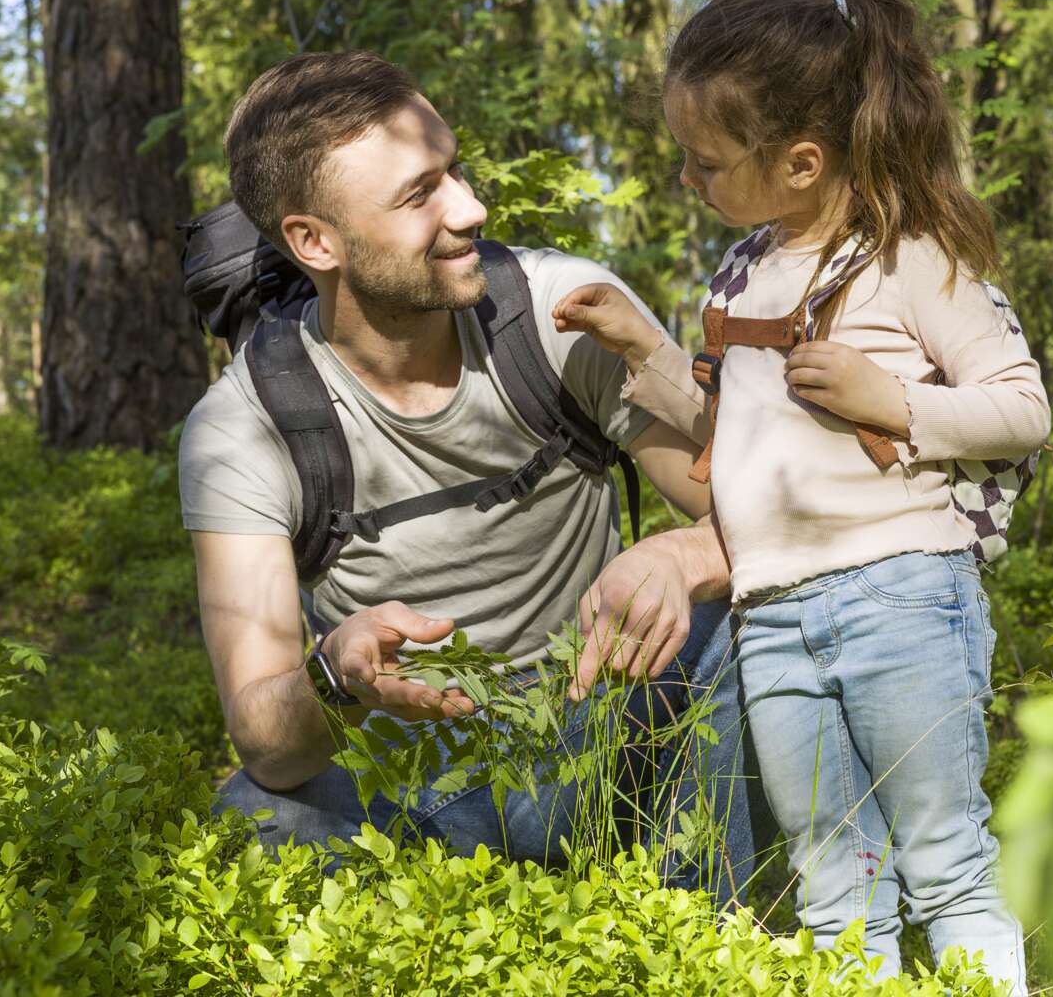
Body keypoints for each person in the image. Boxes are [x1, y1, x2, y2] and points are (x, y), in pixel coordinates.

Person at [551, 0, 1049, 991]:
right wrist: (641, 347)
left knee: (945, 857)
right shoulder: (739, 277)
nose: (689, 177)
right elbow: (739, 445)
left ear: (801, 161)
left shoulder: (910, 258)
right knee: (832, 873)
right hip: (772, 617)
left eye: (705, 160)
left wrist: (895, 400)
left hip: (903, 596)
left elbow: (1021, 410)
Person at [178, 49, 758, 901]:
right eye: (420, 195)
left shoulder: (562, 318)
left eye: (454, 172)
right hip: (419, 777)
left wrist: (682, 559)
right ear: (313, 241)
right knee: (253, 827)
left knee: (765, 628)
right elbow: (268, 739)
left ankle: (718, 940)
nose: (471, 208)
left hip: (606, 723)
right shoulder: (242, 430)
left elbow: (780, 522)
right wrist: (338, 677)